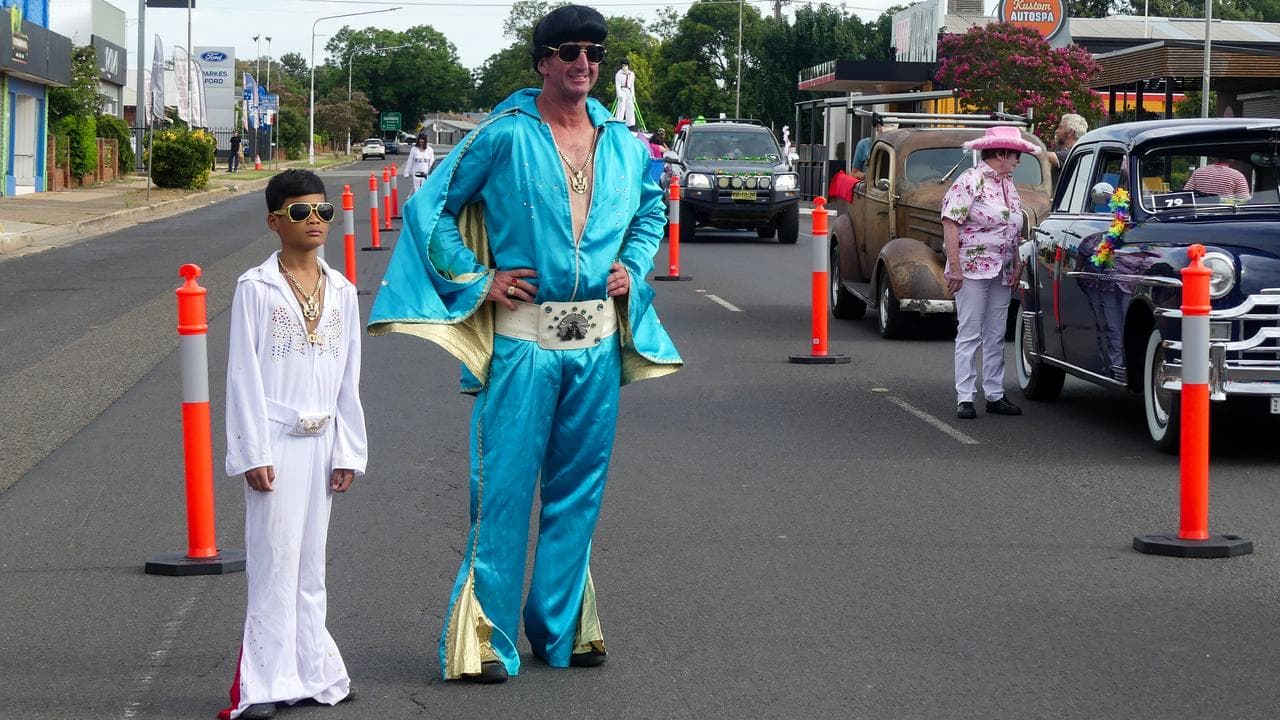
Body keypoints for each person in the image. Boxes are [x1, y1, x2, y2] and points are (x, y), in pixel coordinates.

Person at [367, 4, 682, 684]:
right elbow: (433, 211)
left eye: (594, 52)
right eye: (569, 51)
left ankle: (564, 628)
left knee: (578, 495)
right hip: (523, 344)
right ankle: (485, 638)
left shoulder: (624, 144)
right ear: (542, 61)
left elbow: (653, 204)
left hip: (595, 344)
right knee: (503, 491)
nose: (584, 64)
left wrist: (635, 259)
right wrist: (479, 280)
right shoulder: (504, 135)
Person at [219, 169, 367, 720]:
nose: (315, 222)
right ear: (274, 221)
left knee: (310, 564)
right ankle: (262, 683)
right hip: (275, 442)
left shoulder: (345, 291)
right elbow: (242, 375)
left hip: (322, 441)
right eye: (301, 212)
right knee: (273, 561)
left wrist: (348, 449)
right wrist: (252, 451)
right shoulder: (256, 287)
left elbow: (349, 376)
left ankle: (314, 670)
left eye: (323, 212)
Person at [941, 126, 1038, 420]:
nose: (1019, 161)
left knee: (996, 333)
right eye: (1016, 155)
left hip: (1002, 266)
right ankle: (965, 396)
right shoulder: (971, 180)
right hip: (972, 266)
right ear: (1001, 154)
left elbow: (1014, 226)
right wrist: (955, 267)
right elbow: (950, 223)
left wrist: (1017, 263)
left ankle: (994, 393)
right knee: (970, 331)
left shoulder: (1007, 184)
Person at [1184, 157, 1251, 201]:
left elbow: (1186, 193)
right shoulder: (1237, 175)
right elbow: (1244, 200)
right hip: (1224, 216)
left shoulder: (1198, 172)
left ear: (1213, 158)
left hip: (1199, 213)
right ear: (1232, 160)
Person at [1046, 113, 1087, 185]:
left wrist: (1025, 146)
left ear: (1071, 132)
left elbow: (1045, 155)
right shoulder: (1078, 152)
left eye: (1060, 127)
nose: (1056, 131)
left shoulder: (1073, 154)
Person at [613, 57, 636, 128]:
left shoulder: (631, 74)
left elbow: (632, 85)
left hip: (629, 91)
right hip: (622, 90)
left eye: (625, 65)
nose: (624, 67)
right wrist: (619, 95)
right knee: (621, 106)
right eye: (623, 65)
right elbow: (618, 85)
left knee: (630, 107)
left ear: (628, 66)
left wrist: (633, 95)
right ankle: (618, 121)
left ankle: (630, 124)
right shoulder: (619, 74)